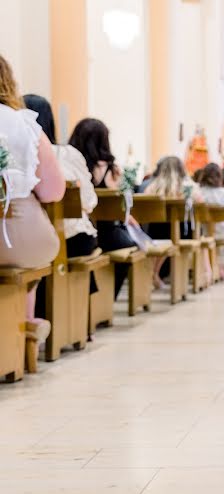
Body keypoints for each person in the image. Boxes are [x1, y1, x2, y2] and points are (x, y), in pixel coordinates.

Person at [0, 56, 65, 345]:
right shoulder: (25, 125)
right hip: (23, 235)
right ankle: (25, 326)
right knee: (27, 256)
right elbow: (53, 192)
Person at [68, 117, 138, 301]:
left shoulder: (71, 163)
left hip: (77, 231)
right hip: (107, 234)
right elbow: (121, 205)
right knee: (131, 247)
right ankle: (108, 299)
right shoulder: (112, 171)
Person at [23, 95, 99, 260]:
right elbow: (88, 201)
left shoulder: (17, 156)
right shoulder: (69, 154)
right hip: (74, 238)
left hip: (29, 238)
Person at [143, 156, 206, 288]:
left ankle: (153, 273)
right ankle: (155, 273)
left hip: (155, 233)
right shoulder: (188, 187)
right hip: (183, 233)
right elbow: (201, 204)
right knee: (183, 231)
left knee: (163, 232)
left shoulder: (152, 187)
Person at [196, 162, 224, 277]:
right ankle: (221, 267)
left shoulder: (198, 193)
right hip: (223, 232)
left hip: (203, 231)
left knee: (207, 234)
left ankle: (209, 268)